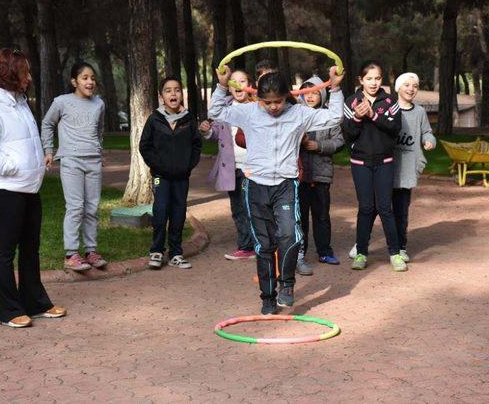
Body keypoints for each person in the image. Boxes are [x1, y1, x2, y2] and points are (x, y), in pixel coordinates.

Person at [209, 65, 345, 315]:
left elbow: (335, 117)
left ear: (287, 97)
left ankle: (287, 286)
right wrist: (221, 85)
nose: (273, 107)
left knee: (289, 236)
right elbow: (216, 111)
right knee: (264, 245)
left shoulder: (299, 113)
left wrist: (335, 87)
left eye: (278, 101)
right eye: (267, 102)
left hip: (285, 185)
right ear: (258, 98)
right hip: (256, 185)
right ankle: (268, 297)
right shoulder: (249, 112)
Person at [0, 48, 66, 328]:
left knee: (31, 248)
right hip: (4, 191)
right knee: (4, 252)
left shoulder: (18, 99)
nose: (29, 78)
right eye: (25, 72)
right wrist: (12, 167)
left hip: (28, 189)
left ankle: (35, 303)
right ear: (10, 74)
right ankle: (9, 311)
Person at [41, 61, 107, 272]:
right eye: (85, 78)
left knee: (92, 207)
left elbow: (99, 130)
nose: (90, 82)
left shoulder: (99, 104)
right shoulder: (61, 102)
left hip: (94, 161)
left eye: (92, 78)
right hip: (71, 161)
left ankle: (91, 251)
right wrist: (49, 150)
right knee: (76, 207)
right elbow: (47, 123)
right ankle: (71, 254)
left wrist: (99, 149)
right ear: (74, 81)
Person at [342, 60, 406, 272]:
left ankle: (395, 253)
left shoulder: (389, 101)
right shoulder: (351, 101)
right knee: (366, 208)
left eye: (377, 78)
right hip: (360, 163)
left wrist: (373, 114)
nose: (373, 82)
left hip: (385, 162)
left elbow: (395, 128)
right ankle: (361, 253)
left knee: (385, 208)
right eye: (369, 78)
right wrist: (359, 117)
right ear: (361, 80)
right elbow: (348, 133)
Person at [139, 76, 202, 270]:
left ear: (181, 94)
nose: (173, 93)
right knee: (161, 211)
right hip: (161, 176)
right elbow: (145, 146)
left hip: (182, 177)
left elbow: (196, 145)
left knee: (178, 213)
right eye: (168, 90)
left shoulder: (189, 119)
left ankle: (175, 253)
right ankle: (156, 251)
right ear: (161, 97)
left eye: (177, 90)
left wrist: (187, 166)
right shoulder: (154, 119)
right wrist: (158, 166)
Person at [199, 70, 255, 260]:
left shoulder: (257, 107)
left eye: (243, 81)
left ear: (250, 84)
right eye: (233, 82)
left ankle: (260, 245)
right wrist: (207, 131)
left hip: (253, 167)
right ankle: (246, 246)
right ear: (228, 87)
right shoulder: (225, 109)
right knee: (238, 208)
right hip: (232, 168)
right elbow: (216, 131)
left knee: (253, 207)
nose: (238, 86)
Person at [296, 76, 344, 276]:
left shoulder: (329, 117)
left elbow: (339, 141)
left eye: (315, 92)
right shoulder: (296, 115)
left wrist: (319, 146)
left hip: (321, 176)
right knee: (301, 218)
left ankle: (324, 251)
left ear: (322, 94)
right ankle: (300, 253)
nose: (310, 97)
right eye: (306, 93)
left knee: (321, 215)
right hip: (300, 176)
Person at [391, 72, 435, 262]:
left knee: (401, 210)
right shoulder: (389, 109)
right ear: (398, 88)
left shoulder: (419, 112)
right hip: (386, 167)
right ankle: (362, 244)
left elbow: (427, 132)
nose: (411, 89)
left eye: (415, 86)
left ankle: (400, 246)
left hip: (406, 169)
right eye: (407, 85)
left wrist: (429, 140)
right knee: (374, 208)